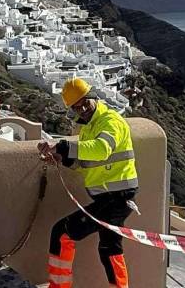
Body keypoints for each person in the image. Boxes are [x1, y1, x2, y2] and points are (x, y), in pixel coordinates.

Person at [38, 78, 138, 288]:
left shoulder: (110, 121)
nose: (82, 109)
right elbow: (86, 162)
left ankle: (59, 286)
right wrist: (61, 159)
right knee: (110, 248)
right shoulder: (89, 129)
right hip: (113, 198)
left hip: (116, 198)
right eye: (76, 107)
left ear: (93, 96)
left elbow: (101, 149)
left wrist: (63, 146)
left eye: (84, 103)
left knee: (62, 233)